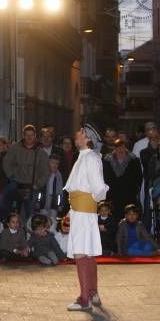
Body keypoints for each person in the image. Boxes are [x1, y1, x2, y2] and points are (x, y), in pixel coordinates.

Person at [64, 128, 108, 311]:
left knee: (81, 252)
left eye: (80, 132)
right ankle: (93, 294)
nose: (76, 134)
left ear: (87, 137)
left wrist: (85, 205)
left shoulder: (90, 158)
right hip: (80, 210)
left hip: (83, 212)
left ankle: (85, 299)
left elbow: (98, 187)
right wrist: (72, 210)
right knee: (87, 252)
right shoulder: (85, 156)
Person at [3, 124, 49, 220]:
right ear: (23, 135)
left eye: (31, 135)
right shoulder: (15, 148)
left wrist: (38, 184)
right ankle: (4, 224)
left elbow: (45, 171)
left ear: (35, 136)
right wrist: (11, 176)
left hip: (32, 186)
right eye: (27, 135)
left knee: (30, 211)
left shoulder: (41, 152)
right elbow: (6, 162)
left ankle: (29, 231)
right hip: (16, 183)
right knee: (2, 199)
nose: (29, 137)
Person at [103, 139, 142, 220]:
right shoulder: (107, 160)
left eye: (122, 147)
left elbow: (138, 178)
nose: (120, 149)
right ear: (114, 148)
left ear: (126, 148)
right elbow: (104, 178)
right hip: (112, 197)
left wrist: (134, 192)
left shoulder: (134, 160)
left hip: (129, 197)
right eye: (117, 147)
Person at [37, 154, 64, 229]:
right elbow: (40, 190)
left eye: (57, 163)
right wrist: (38, 201)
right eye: (52, 162)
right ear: (48, 163)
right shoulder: (44, 174)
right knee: (42, 221)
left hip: (54, 203)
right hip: (44, 201)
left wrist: (60, 204)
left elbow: (60, 193)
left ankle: (51, 236)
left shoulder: (58, 176)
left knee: (53, 222)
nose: (54, 165)